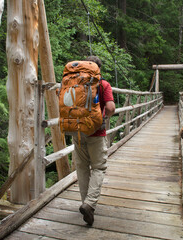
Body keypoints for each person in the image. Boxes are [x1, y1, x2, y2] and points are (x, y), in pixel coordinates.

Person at [73, 56, 115, 226]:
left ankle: (85, 202)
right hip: (96, 133)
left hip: (77, 131)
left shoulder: (74, 82)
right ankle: (89, 204)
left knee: (82, 168)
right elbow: (111, 108)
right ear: (99, 68)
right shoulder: (103, 84)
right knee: (98, 167)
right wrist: (105, 116)